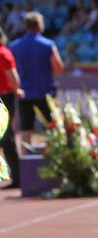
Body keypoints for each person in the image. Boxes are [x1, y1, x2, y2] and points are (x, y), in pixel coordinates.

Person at [10, 12, 64, 147]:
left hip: (24, 93)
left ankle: (25, 162)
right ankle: (53, 159)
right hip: (45, 93)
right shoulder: (49, 45)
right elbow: (58, 69)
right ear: (40, 25)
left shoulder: (15, 46)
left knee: (25, 130)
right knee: (51, 128)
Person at [0, 26, 22, 189]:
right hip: (5, 97)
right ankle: (17, 176)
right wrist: (17, 90)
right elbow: (13, 76)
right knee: (7, 137)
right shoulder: (5, 53)